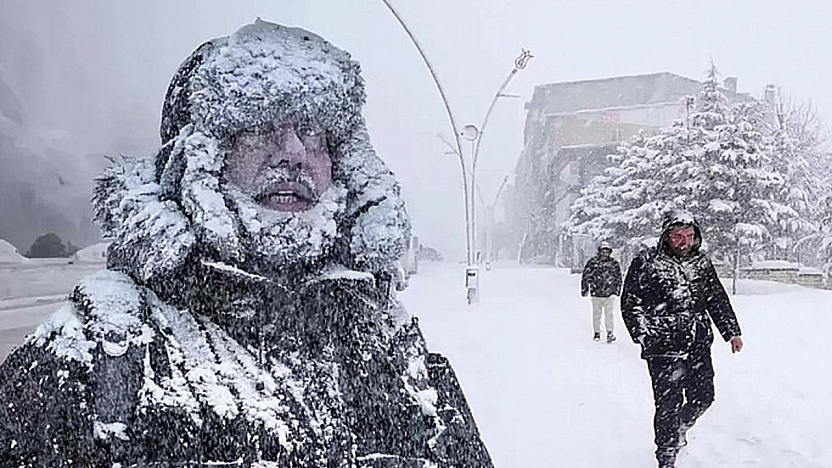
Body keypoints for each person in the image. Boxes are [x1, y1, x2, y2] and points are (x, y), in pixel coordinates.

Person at [0, 20, 493, 468]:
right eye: (259, 128)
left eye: (313, 132)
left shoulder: (391, 347)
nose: (296, 153)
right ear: (198, 159)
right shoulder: (95, 353)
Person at [621, 210, 743, 468]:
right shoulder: (647, 262)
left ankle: (680, 428)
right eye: (677, 236)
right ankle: (666, 457)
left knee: (704, 397)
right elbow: (631, 301)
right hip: (663, 347)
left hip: (698, 344)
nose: (684, 241)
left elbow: (716, 298)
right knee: (668, 404)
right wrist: (643, 333)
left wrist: (731, 331)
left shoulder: (701, 263)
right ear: (666, 236)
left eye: (688, 236)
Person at [580, 241, 622, 343]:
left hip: (609, 293)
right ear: (599, 251)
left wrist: (617, 290)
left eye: (606, 252)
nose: (604, 254)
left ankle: (610, 333)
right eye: (603, 251)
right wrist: (584, 289)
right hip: (596, 293)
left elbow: (618, 278)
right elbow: (585, 276)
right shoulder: (593, 263)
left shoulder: (614, 264)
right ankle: (597, 333)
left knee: (609, 315)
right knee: (596, 315)